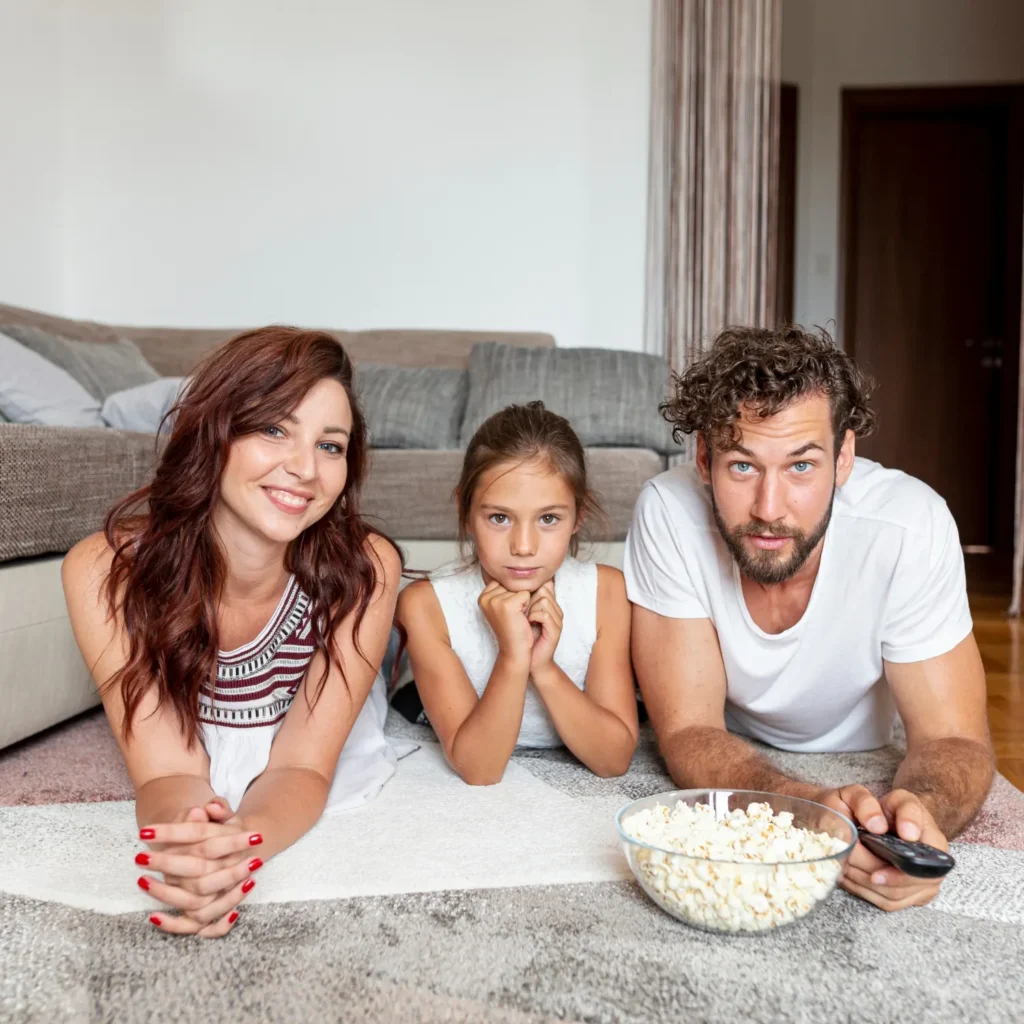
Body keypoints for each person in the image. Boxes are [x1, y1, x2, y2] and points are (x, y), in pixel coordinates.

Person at [625, 325, 994, 913]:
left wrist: (919, 815)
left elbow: (954, 738)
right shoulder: (668, 512)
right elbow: (690, 730)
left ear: (844, 458)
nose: (769, 509)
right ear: (704, 458)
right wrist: (803, 808)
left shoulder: (908, 527)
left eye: (801, 466)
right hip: (734, 739)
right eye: (742, 467)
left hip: (865, 745)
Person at [62, 326, 403, 938]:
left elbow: (303, 766)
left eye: (330, 445)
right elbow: (167, 772)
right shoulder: (103, 570)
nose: (305, 469)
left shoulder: (366, 567)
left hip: (319, 705)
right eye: (273, 429)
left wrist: (239, 851)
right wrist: (192, 850)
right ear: (214, 431)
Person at [397, 401, 638, 784]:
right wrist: (513, 656)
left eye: (548, 518)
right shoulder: (425, 605)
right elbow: (480, 769)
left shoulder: (606, 592)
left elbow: (613, 760)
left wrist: (542, 666)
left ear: (579, 515)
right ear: (465, 510)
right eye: (499, 517)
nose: (523, 546)